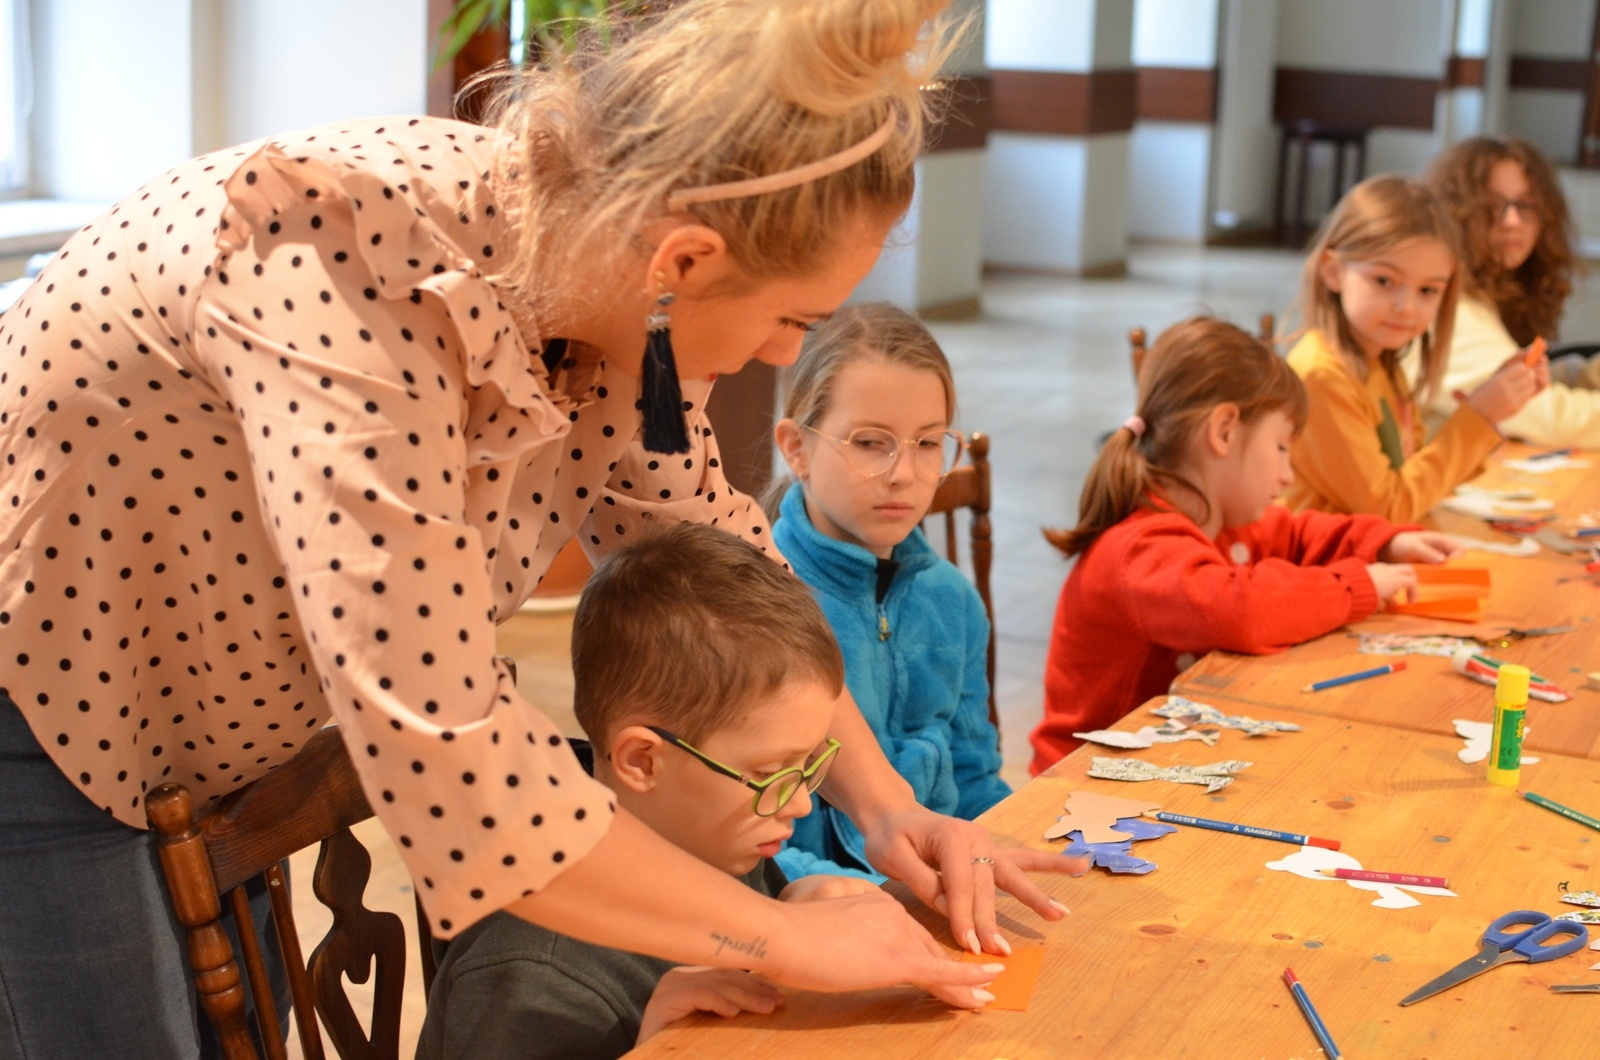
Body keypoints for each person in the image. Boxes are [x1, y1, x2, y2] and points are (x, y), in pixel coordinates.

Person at [0, 3, 1073, 1056]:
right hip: (48, 711)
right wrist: (786, 937)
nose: (769, 354)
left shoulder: (596, 288)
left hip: (210, 723)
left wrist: (887, 810)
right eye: (792, 320)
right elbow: (457, 761)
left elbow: (732, 572)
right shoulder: (340, 268)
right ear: (683, 264)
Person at [419, 524, 946, 1059]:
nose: (801, 802)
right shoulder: (535, 980)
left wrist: (795, 904)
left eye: (807, 764)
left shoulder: (715, 837)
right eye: (770, 772)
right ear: (643, 761)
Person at [1029, 319, 1462, 775]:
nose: (1288, 475)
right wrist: (1357, 587)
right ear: (1224, 431)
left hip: (1165, 764)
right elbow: (1238, 609)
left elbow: (1296, 535)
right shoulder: (1140, 548)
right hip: (1085, 789)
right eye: (1280, 447)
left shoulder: (1221, 523)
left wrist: (1386, 543)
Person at [766, 305, 1010, 914]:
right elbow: (743, 842)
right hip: (818, 910)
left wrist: (998, 858)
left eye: (928, 443)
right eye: (870, 443)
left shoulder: (952, 601)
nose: (904, 473)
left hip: (939, 900)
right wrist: (878, 898)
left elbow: (977, 780)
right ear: (796, 447)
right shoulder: (754, 606)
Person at [1282, 175, 1547, 521]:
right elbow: (1389, 508)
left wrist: (1491, 411)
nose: (1406, 307)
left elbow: (1416, 476)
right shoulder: (1320, 375)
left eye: (1427, 291)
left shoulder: (1380, 363)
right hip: (1323, 568)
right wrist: (1479, 416)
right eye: (1384, 281)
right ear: (1333, 272)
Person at [1425, 137, 1600, 446]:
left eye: (1526, 205)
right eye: (1492, 207)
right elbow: (1548, 419)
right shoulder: (1446, 303)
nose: (1512, 221)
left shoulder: (1485, 297)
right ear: (1454, 214)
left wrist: (1588, 375)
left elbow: (1520, 380)